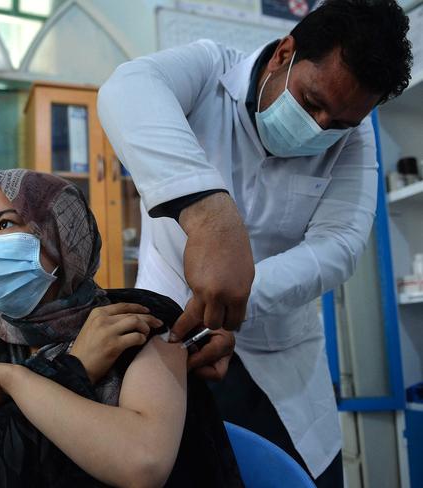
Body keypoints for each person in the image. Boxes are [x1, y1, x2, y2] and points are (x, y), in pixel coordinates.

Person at [97, 1, 412, 486]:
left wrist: (234, 296)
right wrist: (207, 211)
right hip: (171, 339)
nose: (320, 127)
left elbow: (339, 245)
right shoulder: (207, 69)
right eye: (310, 102)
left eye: (339, 123)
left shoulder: (354, 138)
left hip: (280, 362)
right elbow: (127, 89)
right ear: (283, 54)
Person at [0, 169, 242, 487]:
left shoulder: (134, 319)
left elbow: (143, 461)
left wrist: (15, 381)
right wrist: (68, 372)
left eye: (5, 224)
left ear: (62, 232)